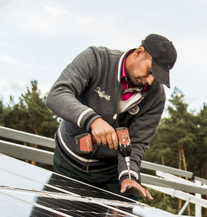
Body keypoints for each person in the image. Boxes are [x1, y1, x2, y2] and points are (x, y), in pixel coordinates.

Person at [46, 33, 177, 200]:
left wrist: (127, 176)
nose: (151, 81)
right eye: (150, 71)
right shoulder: (96, 59)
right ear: (138, 52)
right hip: (69, 163)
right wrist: (93, 120)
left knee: (120, 216)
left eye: (156, 77)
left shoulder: (155, 96)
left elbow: (136, 142)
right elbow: (57, 95)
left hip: (111, 173)